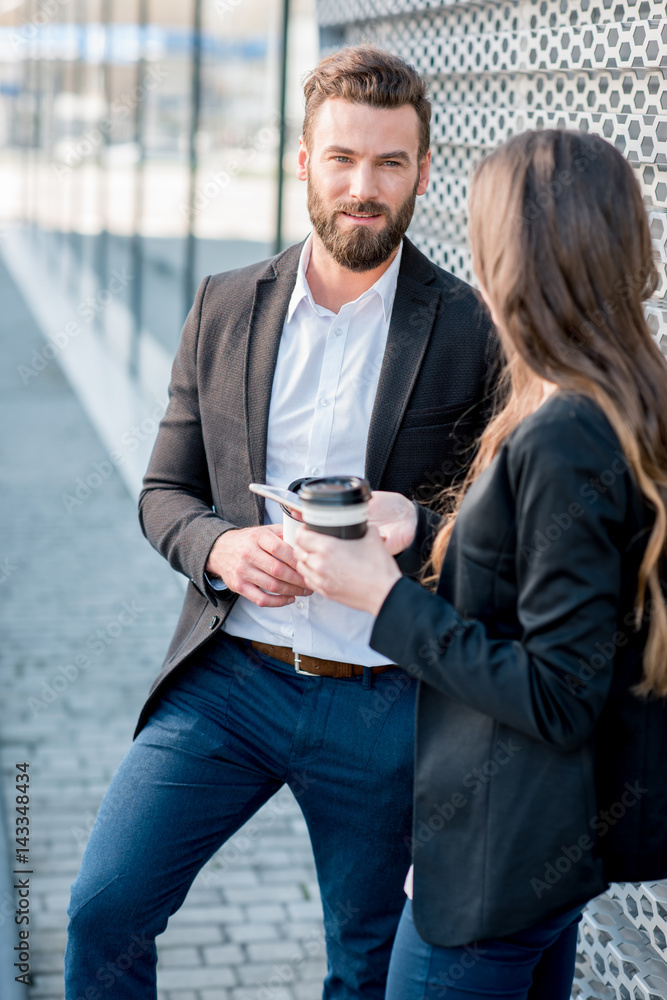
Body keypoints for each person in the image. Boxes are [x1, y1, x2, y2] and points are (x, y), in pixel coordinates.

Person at [64, 46, 498, 999]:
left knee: (365, 968)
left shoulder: (469, 328)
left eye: (390, 164)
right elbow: (163, 492)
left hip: (385, 702)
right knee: (104, 911)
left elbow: (493, 532)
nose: (363, 188)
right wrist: (220, 546)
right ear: (303, 161)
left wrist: (414, 527)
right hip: (230, 679)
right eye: (341, 159)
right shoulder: (224, 306)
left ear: (424, 171)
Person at [293, 128, 667, 1000]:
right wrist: (424, 530)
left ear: (521, 257)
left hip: (498, 864)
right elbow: (554, 588)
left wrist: (381, 599)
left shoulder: (566, 431)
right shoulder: (621, 399)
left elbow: (554, 691)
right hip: (545, 859)